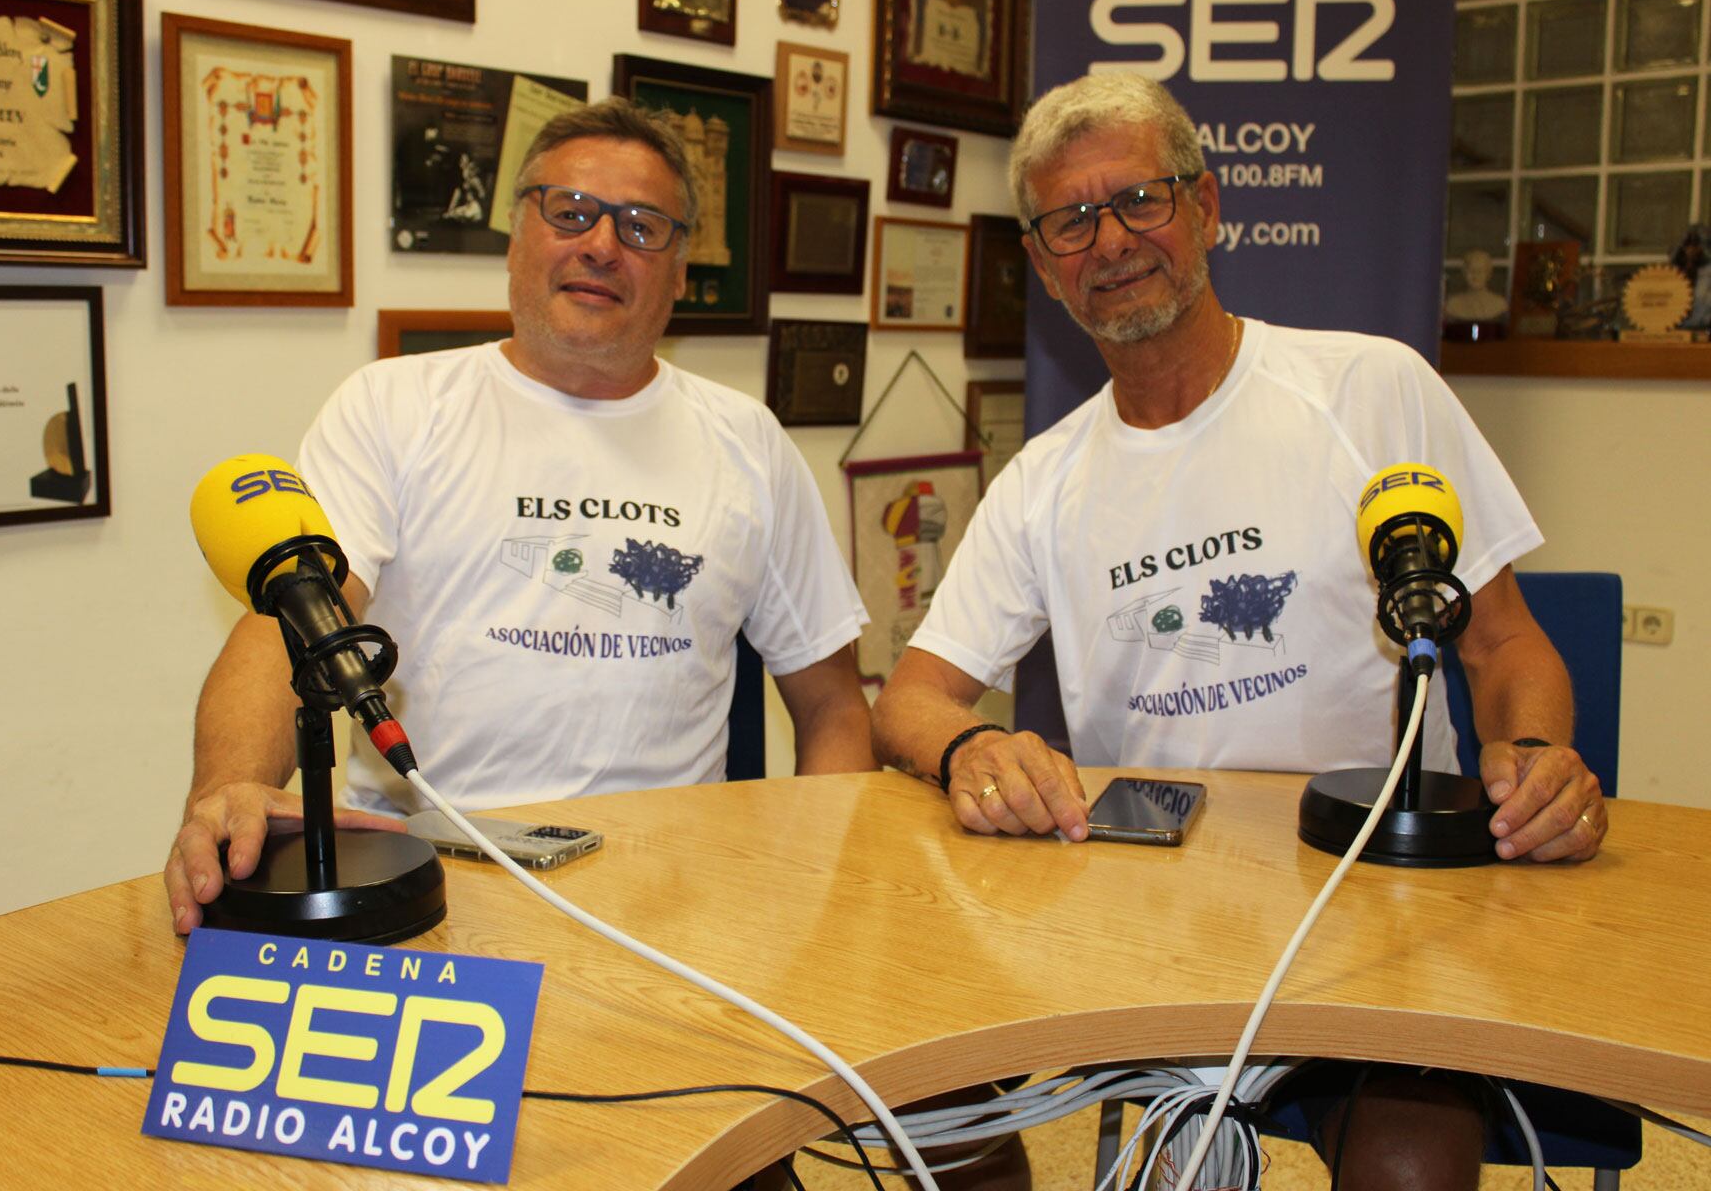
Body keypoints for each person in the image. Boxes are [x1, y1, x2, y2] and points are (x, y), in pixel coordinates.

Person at [871, 73, 1606, 1191]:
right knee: (922, 1094)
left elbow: (1503, 646)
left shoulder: (1369, 388)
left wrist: (1541, 760)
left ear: (1207, 207)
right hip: (1152, 925)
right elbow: (911, 698)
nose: (1109, 241)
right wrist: (972, 748)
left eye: (1140, 201)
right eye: (1070, 219)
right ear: (1041, 259)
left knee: (1411, 1169)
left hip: (1385, 903)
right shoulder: (1043, 483)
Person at [166, 98, 874, 938]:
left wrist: (817, 889)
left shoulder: (747, 441)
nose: (602, 245)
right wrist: (230, 791)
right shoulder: (395, 407)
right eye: (569, 212)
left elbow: (833, 707)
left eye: (642, 227)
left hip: (679, 897)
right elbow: (289, 626)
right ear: (516, 237)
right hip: (426, 883)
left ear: (683, 269)